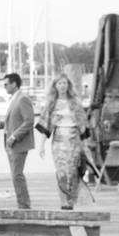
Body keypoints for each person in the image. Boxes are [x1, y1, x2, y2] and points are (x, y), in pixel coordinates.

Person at [39, 73, 87, 210]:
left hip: (73, 138)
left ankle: (71, 201)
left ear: (68, 85)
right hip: (58, 139)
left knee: (72, 170)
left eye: (64, 83)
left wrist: (85, 143)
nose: (62, 86)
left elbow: (83, 125)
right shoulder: (51, 104)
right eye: (59, 83)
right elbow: (46, 125)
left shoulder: (75, 102)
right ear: (55, 86)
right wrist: (41, 145)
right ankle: (63, 202)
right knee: (61, 172)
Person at [0, 72, 34, 209]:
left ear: (14, 84)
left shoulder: (22, 99)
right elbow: (14, 121)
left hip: (18, 144)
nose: (4, 87)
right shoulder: (15, 99)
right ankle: (23, 204)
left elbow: (29, 121)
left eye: (6, 84)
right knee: (16, 175)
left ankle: (24, 206)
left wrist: (13, 137)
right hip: (11, 145)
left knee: (17, 175)